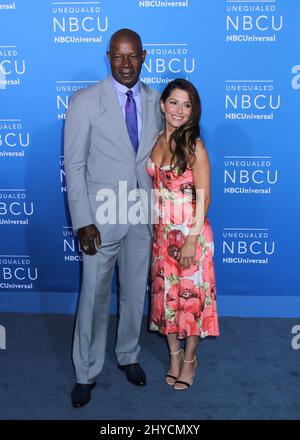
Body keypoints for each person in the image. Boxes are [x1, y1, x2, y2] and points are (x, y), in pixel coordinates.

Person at [64, 28, 162, 407]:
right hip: (100, 217)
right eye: (118, 56)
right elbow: (74, 166)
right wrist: (82, 219)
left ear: (144, 56)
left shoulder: (157, 101)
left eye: (132, 55)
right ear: (108, 57)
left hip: (142, 213)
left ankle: (128, 355)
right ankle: (85, 371)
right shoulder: (86, 101)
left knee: (136, 292)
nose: (125, 63)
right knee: (93, 296)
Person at [146, 78, 219, 390]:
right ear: (162, 105)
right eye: (173, 102)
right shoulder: (158, 140)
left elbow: (205, 197)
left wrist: (191, 239)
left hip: (190, 236)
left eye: (186, 105)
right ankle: (173, 355)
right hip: (162, 235)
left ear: (193, 111)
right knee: (167, 298)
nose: (179, 110)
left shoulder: (194, 145)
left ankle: (189, 360)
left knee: (191, 302)